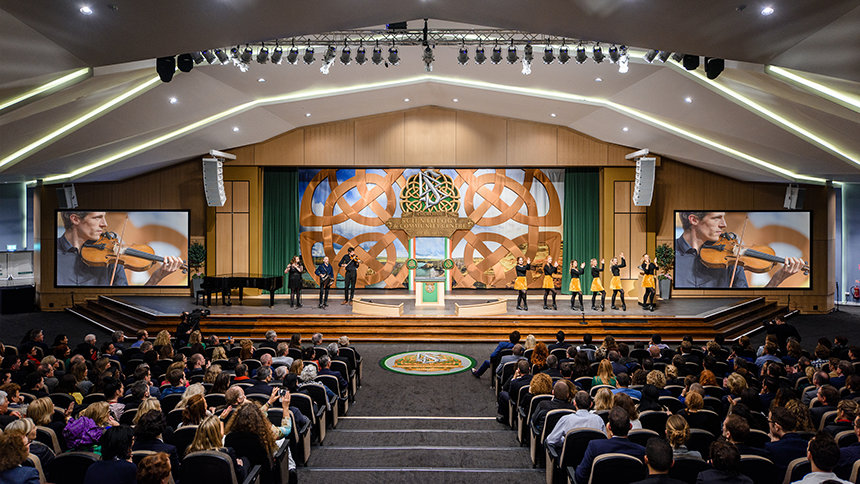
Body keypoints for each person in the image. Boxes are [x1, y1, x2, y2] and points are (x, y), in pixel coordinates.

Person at [674, 211, 804, 289]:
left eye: (723, 217)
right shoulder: (670, 255)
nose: (724, 224)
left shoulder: (731, 259)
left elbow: (749, 307)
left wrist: (777, 279)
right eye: (716, 218)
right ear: (694, 220)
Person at [56, 211, 182, 286]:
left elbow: (128, 304)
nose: (104, 224)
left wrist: (156, 277)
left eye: (104, 217)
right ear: (75, 219)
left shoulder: (112, 257)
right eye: (97, 217)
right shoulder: (50, 255)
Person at [574, 406, 645, 484]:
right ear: (630, 426)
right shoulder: (641, 451)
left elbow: (580, 477)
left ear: (609, 427)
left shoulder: (595, 446)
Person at [545, 390, 607, 454]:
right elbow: (604, 442)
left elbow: (551, 440)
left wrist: (565, 441)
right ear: (591, 404)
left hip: (569, 458)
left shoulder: (566, 419)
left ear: (574, 403)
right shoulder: (598, 420)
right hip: (592, 458)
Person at [765, 406, 809, 474]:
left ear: (776, 427)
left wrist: (773, 444)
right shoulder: (808, 445)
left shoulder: (770, 448)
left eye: (769, 421)